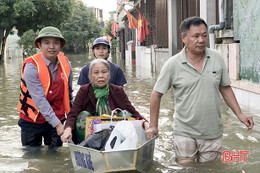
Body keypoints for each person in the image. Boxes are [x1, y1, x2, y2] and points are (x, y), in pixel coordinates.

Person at [145, 16, 254, 165]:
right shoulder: (172, 64)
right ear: (184, 38)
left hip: (212, 132)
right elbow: (156, 95)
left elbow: (225, 88)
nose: (201, 40)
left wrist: (240, 114)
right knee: (186, 167)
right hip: (184, 131)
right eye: (196, 36)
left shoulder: (217, 58)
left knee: (210, 168)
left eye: (204, 35)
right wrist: (153, 126)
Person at [61, 59, 149, 143]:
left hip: (113, 129)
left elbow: (132, 111)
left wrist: (144, 122)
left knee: (125, 114)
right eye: (96, 72)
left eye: (104, 72)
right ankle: (85, 144)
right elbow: (73, 113)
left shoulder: (118, 90)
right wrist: (68, 128)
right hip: (91, 132)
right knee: (83, 115)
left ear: (109, 74)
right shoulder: (84, 90)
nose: (100, 76)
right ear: (91, 76)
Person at [17, 26, 73, 150]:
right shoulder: (31, 67)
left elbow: (69, 94)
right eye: (47, 42)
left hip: (57, 117)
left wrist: (71, 122)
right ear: (39, 45)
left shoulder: (66, 64)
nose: (51, 46)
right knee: (32, 156)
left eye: (56, 43)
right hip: (31, 120)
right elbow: (39, 100)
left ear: (61, 45)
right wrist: (58, 125)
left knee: (55, 157)